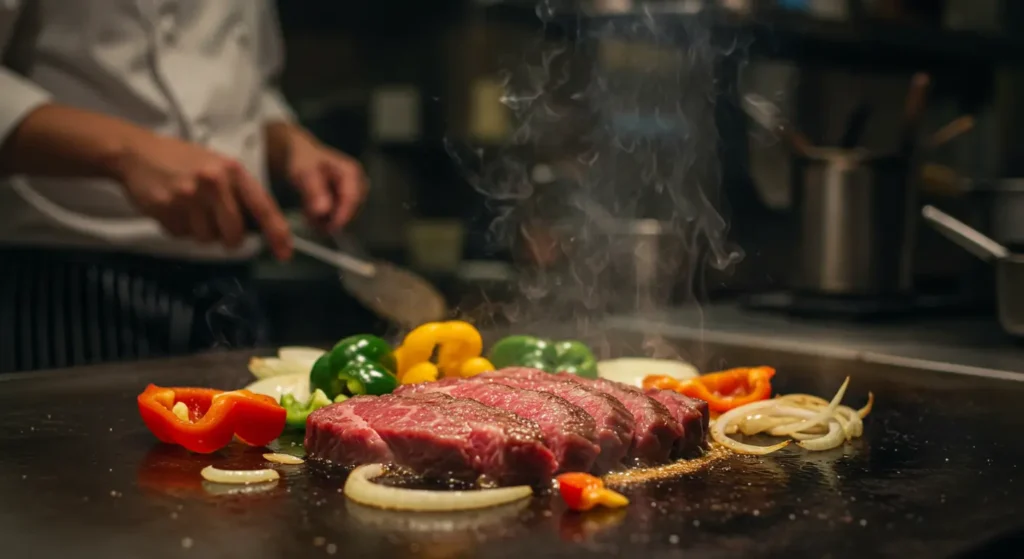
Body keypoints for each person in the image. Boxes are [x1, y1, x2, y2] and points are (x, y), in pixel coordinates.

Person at [0, 1, 367, 372]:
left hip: (231, 280)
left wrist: (289, 142)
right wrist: (127, 152)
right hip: (66, 285)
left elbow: (248, 88)